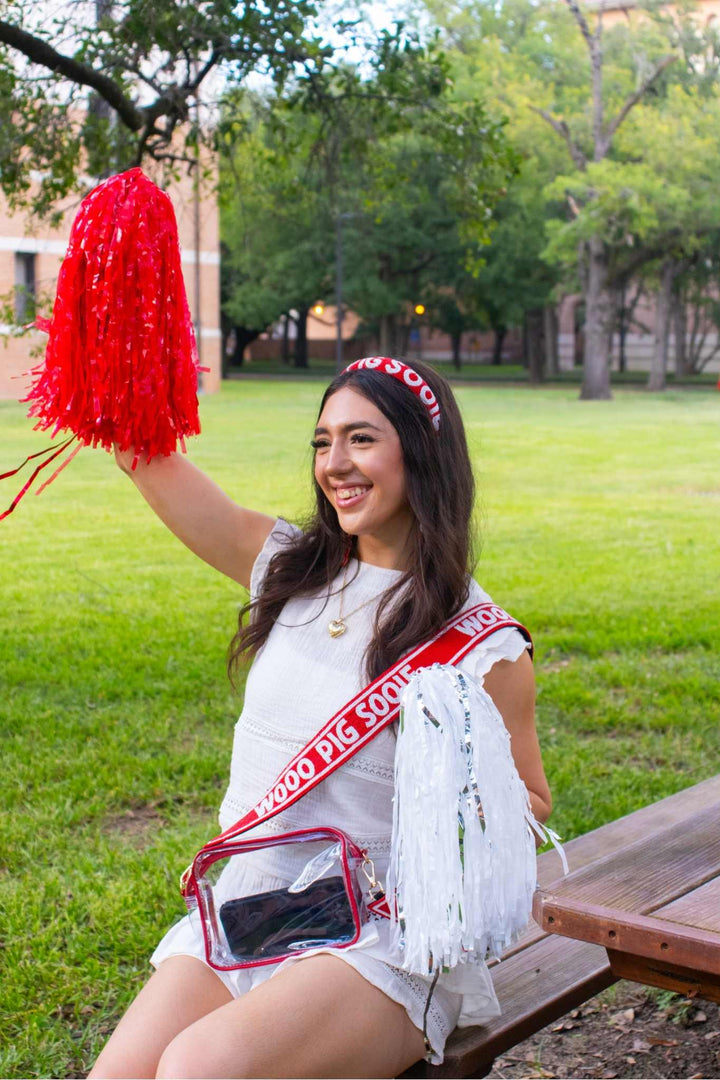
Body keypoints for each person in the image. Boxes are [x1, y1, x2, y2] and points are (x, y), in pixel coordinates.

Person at [90, 357, 552, 1080]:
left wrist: (458, 798)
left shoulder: (481, 644)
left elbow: (532, 806)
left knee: (197, 1069)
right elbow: (142, 457)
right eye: (321, 441)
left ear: (421, 451)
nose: (334, 463)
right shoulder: (287, 567)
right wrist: (103, 345)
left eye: (361, 439)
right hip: (254, 912)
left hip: (380, 941)